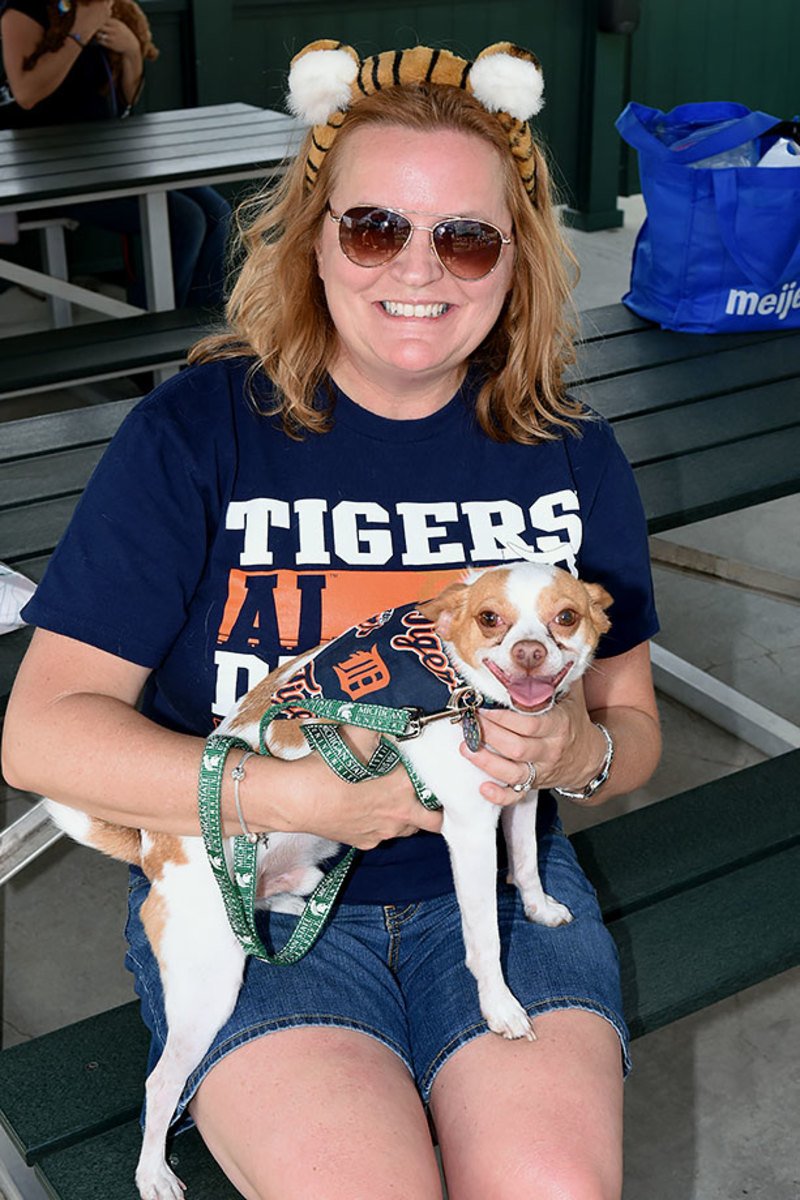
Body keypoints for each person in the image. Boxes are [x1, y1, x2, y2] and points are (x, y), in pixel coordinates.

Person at [2, 38, 662, 1200]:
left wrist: (575, 751)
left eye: (466, 236)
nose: (421, 269)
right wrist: (298, 796)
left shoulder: (573, 455)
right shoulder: (197, 432)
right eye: (373, 228)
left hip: (500, 896)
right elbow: (42, 734)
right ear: (314, 240)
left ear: (516, 263)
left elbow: (629, 731)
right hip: (255, 894)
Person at [0, 0, 230, 308]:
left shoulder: (104, 5)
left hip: (110, 157)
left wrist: (132, 50)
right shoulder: (22, 9)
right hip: (46, 169)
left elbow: (127, 100)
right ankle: (154, 339)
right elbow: (25, 93)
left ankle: (203, 338)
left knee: (218, 213)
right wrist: (79, 32)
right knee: (185, 220)